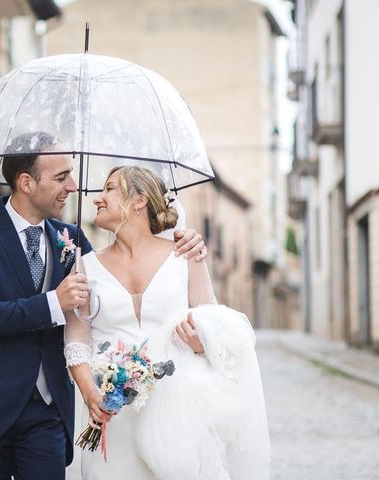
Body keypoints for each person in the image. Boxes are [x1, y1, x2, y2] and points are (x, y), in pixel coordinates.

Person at [0, 133, 209, 479]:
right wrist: (53, 303)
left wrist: (180, 238)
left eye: (70, 174)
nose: (72, 186)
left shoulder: (71, 241)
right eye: (60, 177)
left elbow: (121, 260)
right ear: (26, 182)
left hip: (48, 415)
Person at [64, 166, 271, 480]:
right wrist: (91, 394)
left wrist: (202, 344)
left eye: (109, 189)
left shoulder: (184, 255)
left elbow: (212, 320)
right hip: (112, 413)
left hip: (178, 415)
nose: (98, 199)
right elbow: (76, 343)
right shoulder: (84, 266)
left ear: (139, 201)